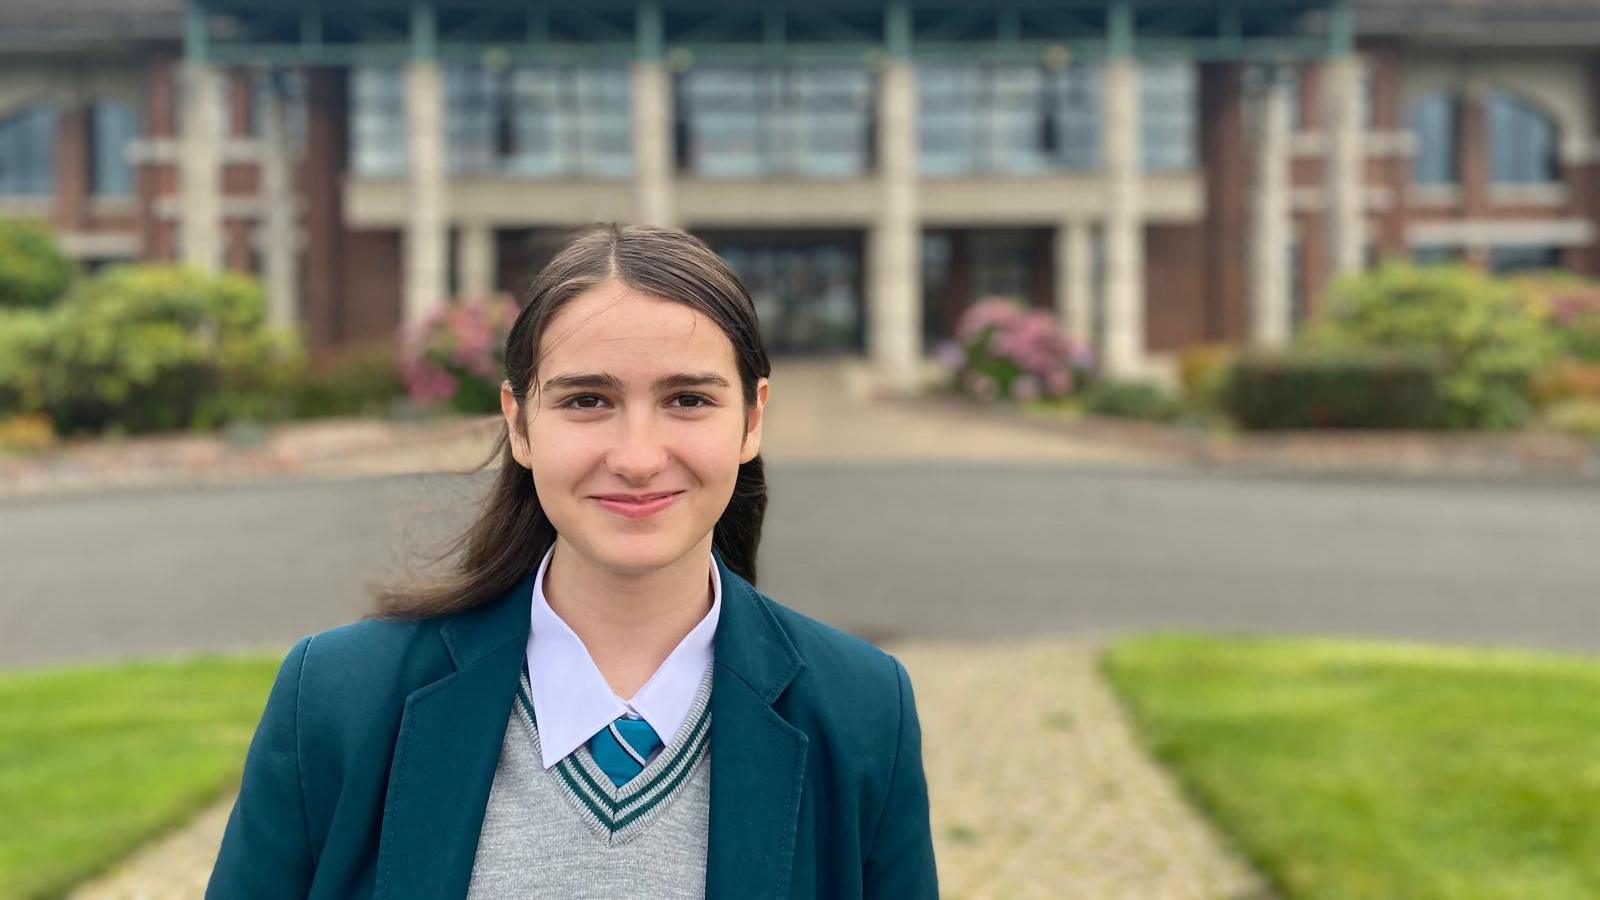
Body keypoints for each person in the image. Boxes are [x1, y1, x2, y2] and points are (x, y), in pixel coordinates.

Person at [206, 224, 938, 899]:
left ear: (752, 419)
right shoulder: (337, 699)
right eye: (588, 400)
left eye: (687, 399)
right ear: (518, 424)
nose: (639, 458)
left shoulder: (864, 710)